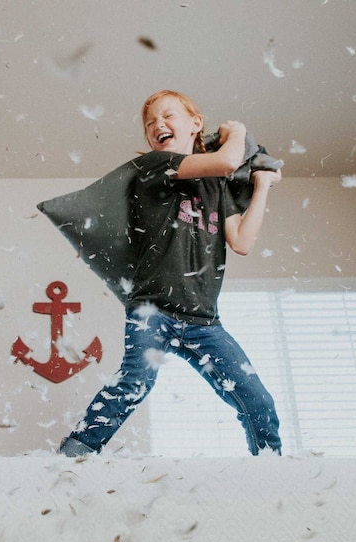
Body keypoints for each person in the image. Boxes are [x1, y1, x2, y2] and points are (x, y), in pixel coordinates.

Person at [58, 90, 283, 457]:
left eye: (168, 116)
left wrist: (260, 185)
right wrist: (237, 131)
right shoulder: (156, 165)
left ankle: (274, 468)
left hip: (203, 320)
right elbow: (227, 159)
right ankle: (71, 457)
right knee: (135, 381)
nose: (157, 125)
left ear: (196, 124)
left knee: (256, 401)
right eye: (150, 123)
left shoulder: (218, 186)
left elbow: (242, 241)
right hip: (153, 310)